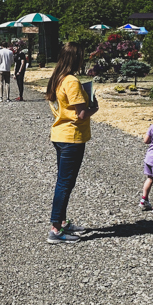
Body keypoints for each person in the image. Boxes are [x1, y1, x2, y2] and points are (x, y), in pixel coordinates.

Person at [45, 42, 97, 244]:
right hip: (72, 137)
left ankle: (62, 221)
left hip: (60, 135)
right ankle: (55, 228)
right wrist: (95, 107)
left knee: (64, 181)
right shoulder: (72, 81)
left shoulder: (57, 78)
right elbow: (82, 114)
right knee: (65, 183)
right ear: (76, 58)